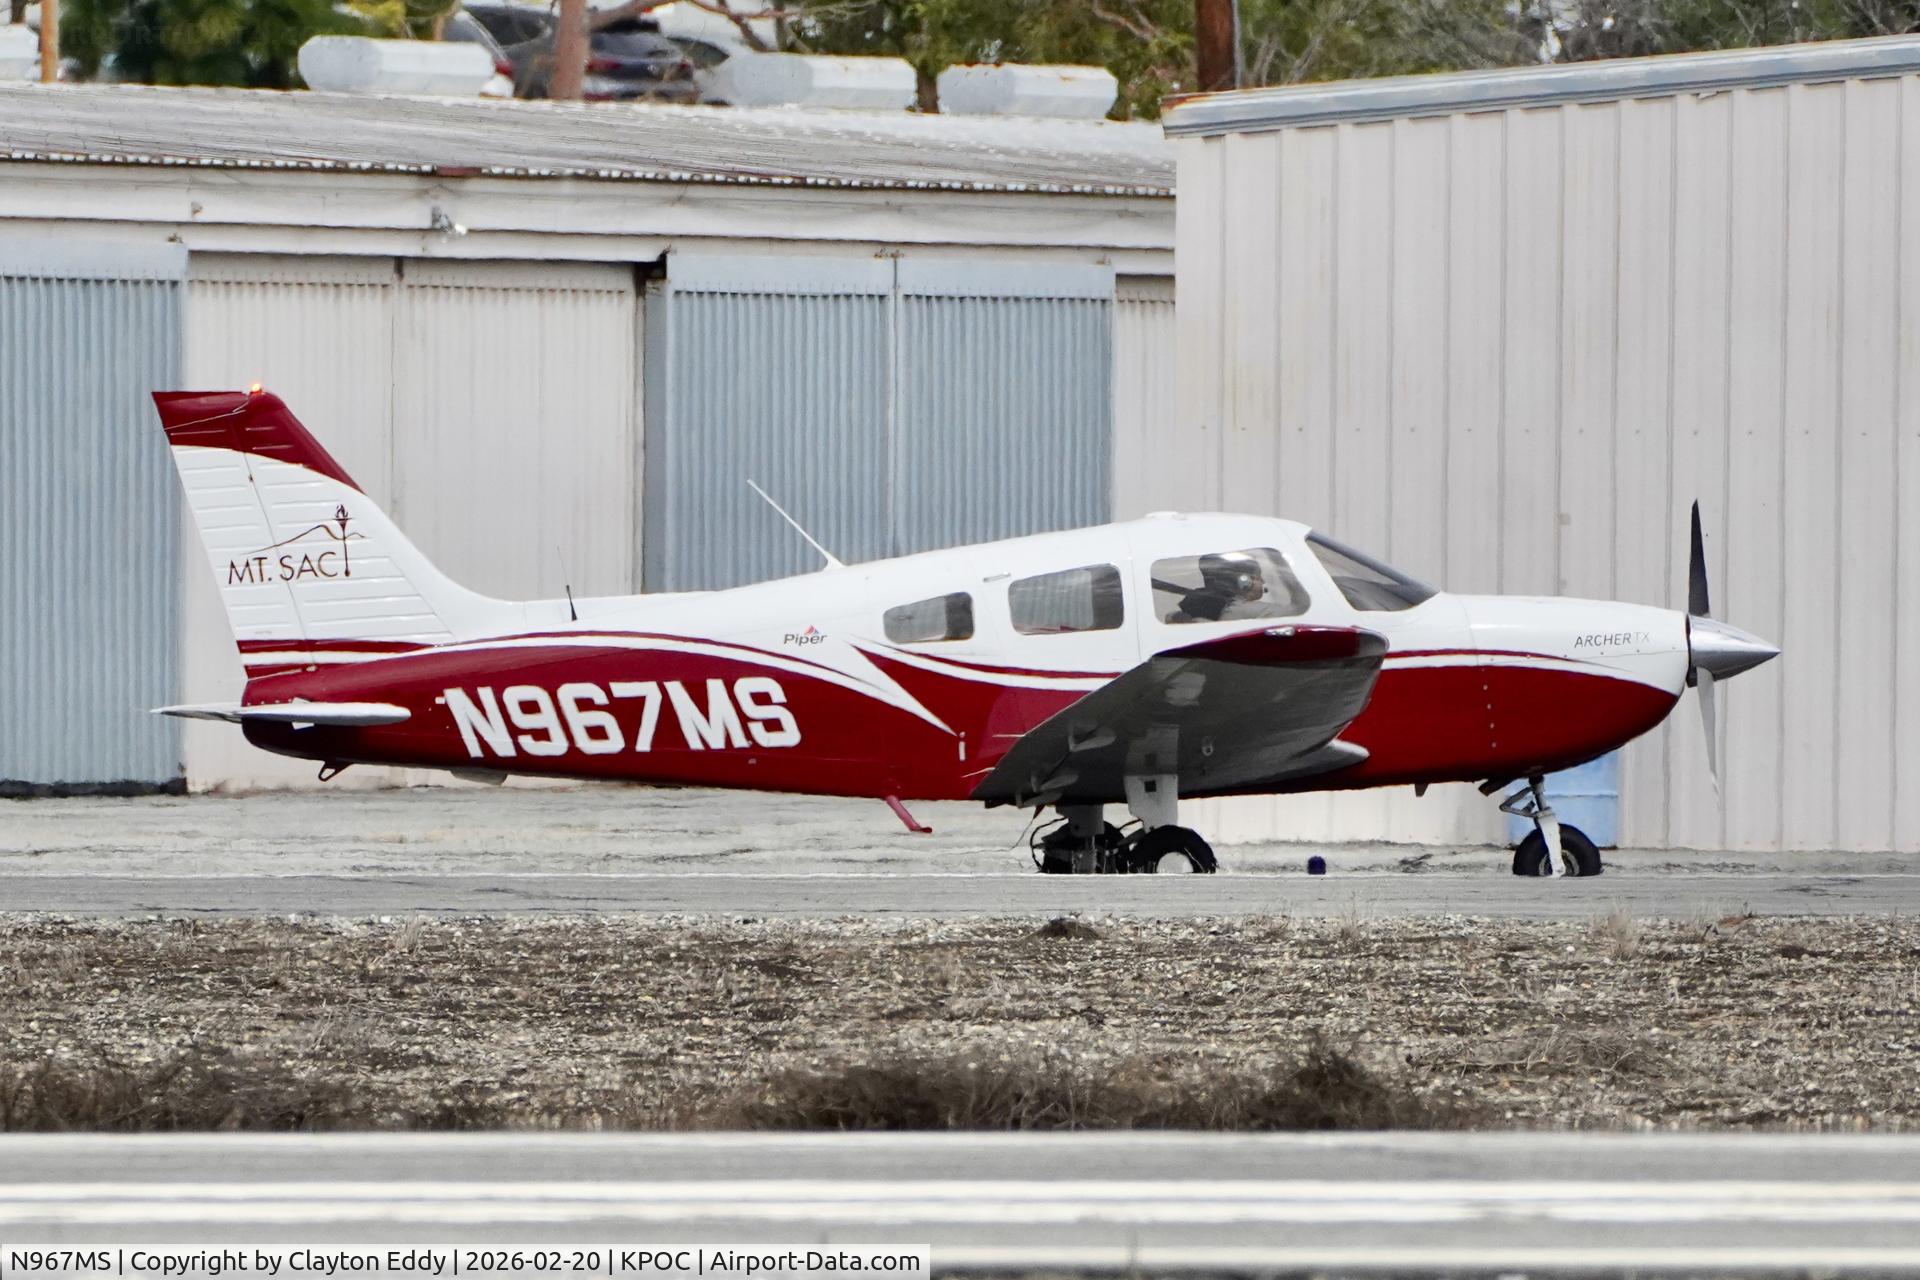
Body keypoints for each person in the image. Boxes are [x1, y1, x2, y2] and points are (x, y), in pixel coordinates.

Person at [1173, 551, 1271, 622]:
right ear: (1244, 582)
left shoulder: (1197, 604)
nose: (1263, 581)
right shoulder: (1243, 611)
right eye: (1258, 577)